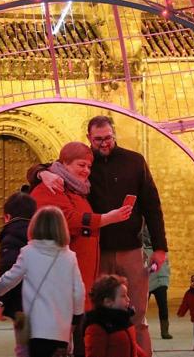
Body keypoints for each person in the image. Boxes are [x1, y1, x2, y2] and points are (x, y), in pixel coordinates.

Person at [28, 115, 168, 356]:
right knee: (96, 316)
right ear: (89, 139)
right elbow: (51, 168)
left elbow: (152, 206)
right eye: (98, 139)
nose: (104, 143)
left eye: (108, 138)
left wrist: (160, 248)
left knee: (137, 315)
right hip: (98, 253)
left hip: (131, 250)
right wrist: (41, 173)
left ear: (114, 134)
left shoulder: (134, 162)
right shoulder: (81, 167)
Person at [30, 141, 132, 357]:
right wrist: (104, 219)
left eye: (89, 166)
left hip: (79, 284)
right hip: (59, 286)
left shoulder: (78, 191)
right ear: (64, 164)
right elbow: (65, 219)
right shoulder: (50, 188)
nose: (86, 171)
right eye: (81, 165)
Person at [0, 206, 85, 357]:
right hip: (60, 330)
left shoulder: (28, 253)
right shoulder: (69, 257)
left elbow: (8, 280)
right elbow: (79, 293)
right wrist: (75, 318)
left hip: (34, 329)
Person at [0, 191, 37, 357]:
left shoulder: (10, 236)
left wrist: (0, 301)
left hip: (21, 303)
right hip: (43, 301)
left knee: (23, 347)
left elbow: (9, 270)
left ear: (7, 217)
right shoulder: (42, 235)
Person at [84, 274, 147, 357]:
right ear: (108, 302)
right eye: (123, 296)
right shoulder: (97, 327)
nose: (128, 299)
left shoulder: (124, 320)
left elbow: (133, 345)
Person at [142, 228, 173, 339]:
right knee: (143, 307)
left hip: (161, 280)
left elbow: (167, 264)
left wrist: (167, 276)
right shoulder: (143, 251)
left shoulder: (161, 250)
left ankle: (165, 331)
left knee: (163, 307)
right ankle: (140, 328)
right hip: (148, 282)